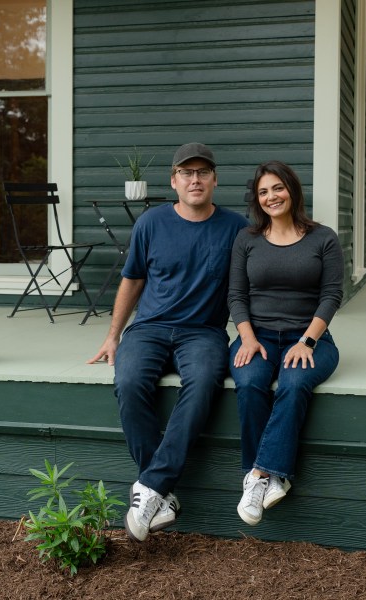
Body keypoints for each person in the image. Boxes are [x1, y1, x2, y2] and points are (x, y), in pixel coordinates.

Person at [87, 143, 248, 542]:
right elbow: (133, 279)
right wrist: (113, 336)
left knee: (205, 383)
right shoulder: (151, 223)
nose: (195, 180)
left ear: (214, 179)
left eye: (203, 173)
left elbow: (249, 285)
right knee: (128, 382)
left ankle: (151, 487)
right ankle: (161, 491)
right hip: (150, 329)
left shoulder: (236, 228)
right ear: (174, 181)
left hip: (204, 332)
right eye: (187, 173)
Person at [227, 160, 344, 526]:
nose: (271, 196)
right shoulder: (247, 239)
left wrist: (307, 341)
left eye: (277, 188)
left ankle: (258, 477)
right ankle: (271, 478)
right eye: (263, 192)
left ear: (292, 190)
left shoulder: (322, 238)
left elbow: (331, 295)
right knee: (249, 381)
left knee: (293, 383)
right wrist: (246, 337)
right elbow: (236, 295)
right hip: (257, 336)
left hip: (309, 338)